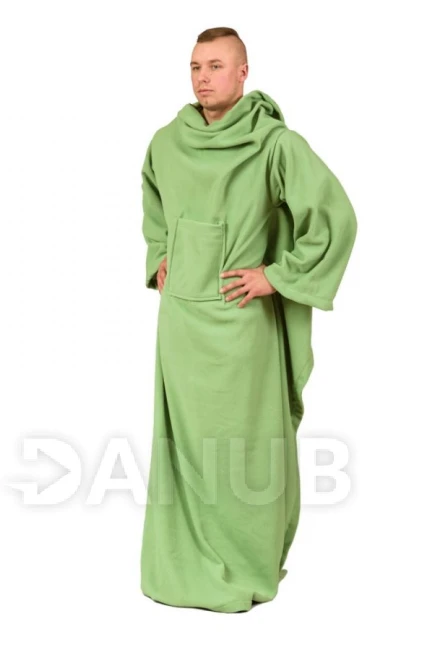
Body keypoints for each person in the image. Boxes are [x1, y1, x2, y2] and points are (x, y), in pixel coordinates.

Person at [139, 26, 357, 613]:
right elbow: (154, 202)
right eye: (195, 66)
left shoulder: (274, 144)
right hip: (181, 326)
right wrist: (160, 255)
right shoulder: (166, 142)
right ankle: (182, 562)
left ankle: (247, 561)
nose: (202, 77)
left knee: (245, 450)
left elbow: (334, 217)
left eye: (216, 66)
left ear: (243, 73)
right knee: (186, 450)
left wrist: (276, 277)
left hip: (241, 324)